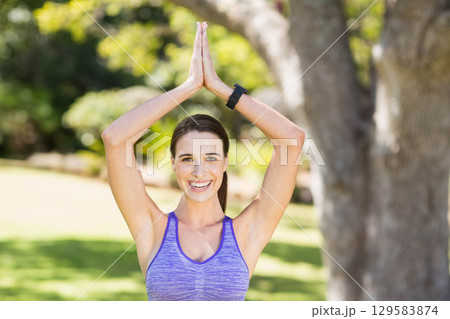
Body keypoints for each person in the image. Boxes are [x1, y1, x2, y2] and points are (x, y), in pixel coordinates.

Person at [101, 21, 305, 301]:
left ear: (224, 162)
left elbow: (292, 139)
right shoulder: (151, 227)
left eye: (210, 157)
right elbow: (115, 139)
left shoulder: (247, 232)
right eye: (187, 158)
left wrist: (222, 90)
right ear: (173, 163)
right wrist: (188, 87)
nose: (199, 171)